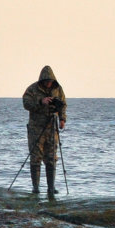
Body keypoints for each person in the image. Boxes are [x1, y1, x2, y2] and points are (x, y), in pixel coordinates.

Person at [21, 65, 66, 196]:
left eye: (50, 81)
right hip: (36, 128)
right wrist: (41, 101)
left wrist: (62, 119)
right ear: (42, 80)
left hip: (52, 127)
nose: (48, 83)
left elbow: (63, 104)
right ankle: (36, 187)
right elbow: (26, 103)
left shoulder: (58, 89)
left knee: (51, 158)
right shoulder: (32, 89)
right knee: (36, 157)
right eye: (46, 81)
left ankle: (51, 188)